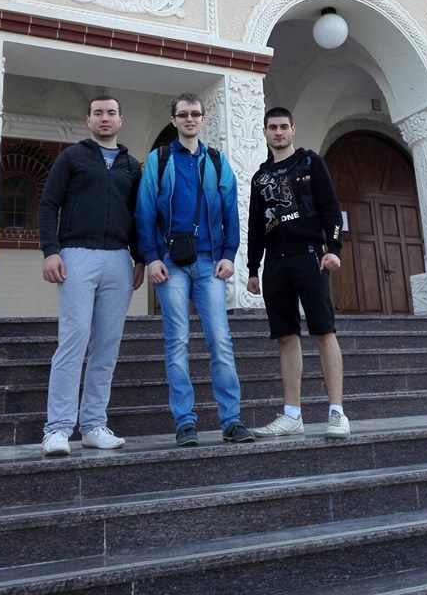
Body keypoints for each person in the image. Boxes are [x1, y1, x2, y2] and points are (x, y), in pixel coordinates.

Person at [135, 92, 254, 447]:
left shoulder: (216, 160)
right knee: (177, 342)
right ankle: (185, 422)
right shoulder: (159, 159)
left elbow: (231, 210)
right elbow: (145, 211)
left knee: (220, 340)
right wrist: (151, 256)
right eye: (184, 114)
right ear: (173, 120)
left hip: (210, 262)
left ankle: (231, 421)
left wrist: (229, 254)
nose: (190, 119)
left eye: (196, 114)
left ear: (203, 119)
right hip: (170, 263)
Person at [38, 95, 145, 456]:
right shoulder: (72, 158)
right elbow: (48, 204)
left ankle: (94, 424)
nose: (104, 118)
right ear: (88, 120)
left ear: (120, 120)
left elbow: (139, 215)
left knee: (107, 346)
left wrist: (141, 259)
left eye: (111, 112)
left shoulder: (131, 166)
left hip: (119, 259)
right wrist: (50, 250)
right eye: (98, 113)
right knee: (74, 338)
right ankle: (57, 428)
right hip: (76, 255)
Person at [247, 107, 349, 438]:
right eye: (272, 127)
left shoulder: (310, 162)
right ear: (265, 132)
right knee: (286, 337)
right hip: (275, 263)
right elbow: (255, 227)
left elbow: (331, 208)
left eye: (283, 127)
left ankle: (337, 412)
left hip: (310, 257)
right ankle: (292, 415)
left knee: (323, 331)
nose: (278, 132)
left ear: (293, 129)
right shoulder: (260, 178)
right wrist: (252, 268)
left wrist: (334, 249)